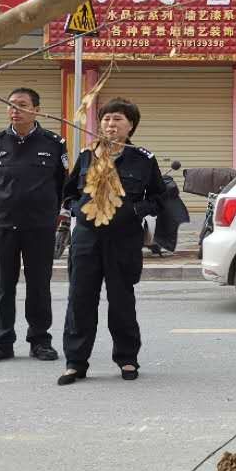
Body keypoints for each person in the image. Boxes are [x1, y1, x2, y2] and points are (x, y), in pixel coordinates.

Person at [57, 98, 164, 385]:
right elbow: (68, 193)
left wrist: (134, 211)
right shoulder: (87, 156)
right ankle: (75, 362)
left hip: (123, 240)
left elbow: (158, 198)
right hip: (86, 239)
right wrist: (77, 209)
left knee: (121, 301)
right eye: (106, 119)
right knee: (80, 300)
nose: (110, 124)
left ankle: (127, 359)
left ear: (131, 126)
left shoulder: (143, 159)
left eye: (117, 119)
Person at [0, 87, 68, 365]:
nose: (15, 110)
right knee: (4, 285)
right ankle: (1, 342)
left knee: (39, 285)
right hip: (3, 224)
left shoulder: (54, 143)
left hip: (39, 226)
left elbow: (61, 184)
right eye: (11, 105)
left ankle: (40, 341)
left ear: (36, 110)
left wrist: (49, 213)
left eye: (22, 105)